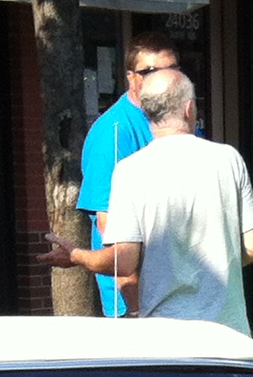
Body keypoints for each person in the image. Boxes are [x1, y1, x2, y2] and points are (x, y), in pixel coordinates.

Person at [41, 70, 253, 333]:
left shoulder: (129, 171)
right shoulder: (228, 159)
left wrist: (77, 255)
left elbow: (123, 262)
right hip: (229, 333)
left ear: (146, 113)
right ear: (189, 109)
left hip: (166, 333)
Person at [76, 32, 182, 318]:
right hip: (138, 303)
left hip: (180, 294)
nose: (164, 79)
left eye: (172, 69)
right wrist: (136, 308)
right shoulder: (114, 132)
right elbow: (110, 229)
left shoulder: (179, 123)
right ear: (131, 77)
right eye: (150, 71)